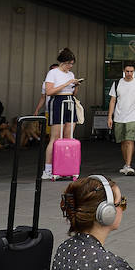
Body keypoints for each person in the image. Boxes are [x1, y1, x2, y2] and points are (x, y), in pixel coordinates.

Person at [42, 49, 82, 181]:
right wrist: (66, 83)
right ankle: (48, 169)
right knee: (55, 137)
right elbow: (49, 91)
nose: (70, 66)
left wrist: (76, 85)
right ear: (62, 62)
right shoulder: (53, 73)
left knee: (68, 136)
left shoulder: (71, 74)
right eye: (68, 63)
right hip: (58, 102)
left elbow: (73, 93)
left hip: (69, 101)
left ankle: (66, 168)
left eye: (71, 64)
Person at [107, 61, 135, 175]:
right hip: (119, 116)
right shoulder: (117, 83)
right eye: (127, 71)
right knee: (122, 141)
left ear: (134, 71)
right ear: (123, 71)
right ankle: (126, 164)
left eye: (131, 71)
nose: (129, 73)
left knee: (130, 140)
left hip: (133, 116)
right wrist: (109, 117)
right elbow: (112, 100)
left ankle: (129, 165)